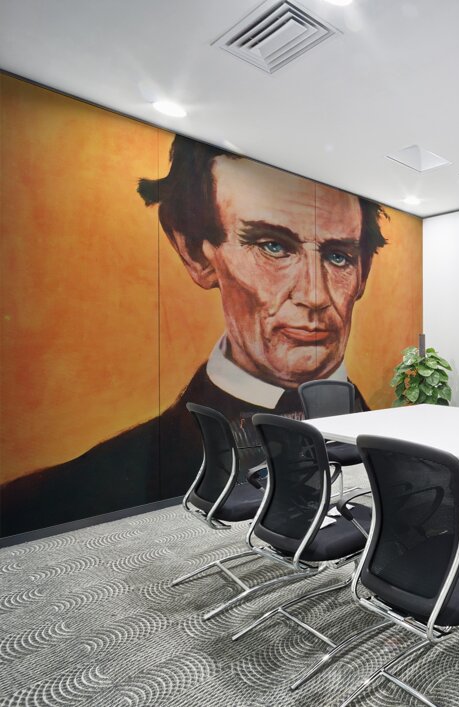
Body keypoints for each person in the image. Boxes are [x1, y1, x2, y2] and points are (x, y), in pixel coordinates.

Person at [0, 136, 387, 536]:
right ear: (196, 253)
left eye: (339, 256)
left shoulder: (386, 436)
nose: (315, 295)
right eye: (273, 246)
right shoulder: (53, 495)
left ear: (363, 274)